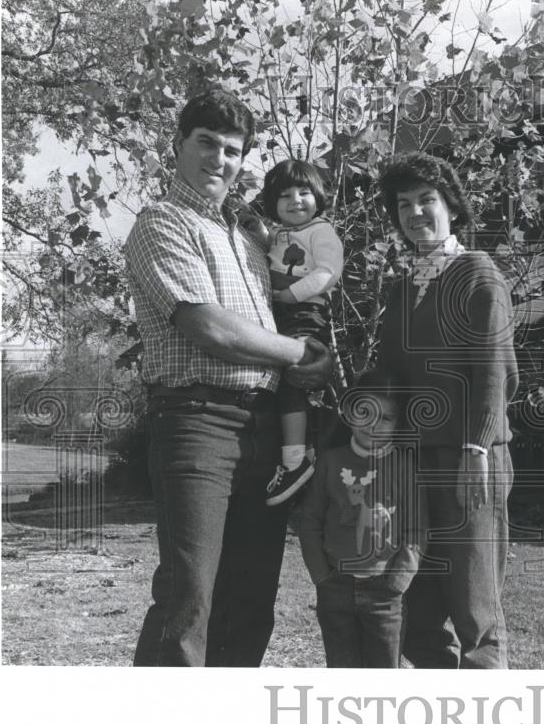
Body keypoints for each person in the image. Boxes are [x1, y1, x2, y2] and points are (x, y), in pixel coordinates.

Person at [124, 88, 332, 667]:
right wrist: (296, 352)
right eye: (207, 143)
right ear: (178, 146)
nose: (220, 159)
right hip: (196, 424)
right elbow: (208, 327)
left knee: (250, 600)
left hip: (262, 429)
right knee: (189, 600)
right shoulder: (161, 222)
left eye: (233, 151)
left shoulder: (245, 239)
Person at [376, 152, 519, 669]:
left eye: (427, 200)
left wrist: (477, 446)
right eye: (404, 204)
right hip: (413, 464)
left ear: (452, 208)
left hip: (469, 459)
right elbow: (390, 376)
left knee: (474, 604)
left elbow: (495, 368)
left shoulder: (478, 273)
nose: (416, 212)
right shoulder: (400, 288)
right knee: (421, 604)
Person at [298, 370, 427, 667]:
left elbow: (416, 529)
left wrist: (398, 580)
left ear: (398, 423)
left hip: (385, 593)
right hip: (335, 588)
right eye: (365, 412)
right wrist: (321, 575)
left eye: (385, 418)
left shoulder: (405, 467)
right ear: (350, 411)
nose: (373, 425)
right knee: (342, 670)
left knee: (382, 676)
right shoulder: (330, 462)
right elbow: (310, 522)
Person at [254, 160, 344, 506]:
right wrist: (260, 233)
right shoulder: (281, 233)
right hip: (281, 311)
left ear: (317, 196)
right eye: (285, 194)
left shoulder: (321, 231)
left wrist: (291, 295)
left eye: (304, 192)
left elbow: (328, 272)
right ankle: (300, 449)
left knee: (295, 376)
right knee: (280, 380)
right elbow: (277, 256)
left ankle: (295, 461)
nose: (296, 200)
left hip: (305, 310)